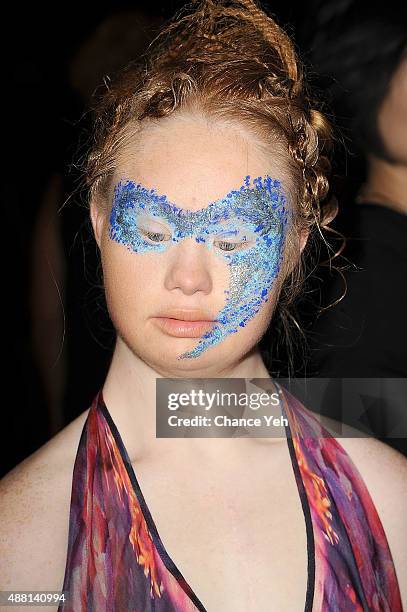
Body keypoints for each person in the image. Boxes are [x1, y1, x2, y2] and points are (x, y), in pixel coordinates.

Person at [0, 1, 405, 610]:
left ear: (296, 247)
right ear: (101, 219)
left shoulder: (390, 504)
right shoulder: (24, 547)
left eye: (235, 239)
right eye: (155, 231)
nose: (189, 277)